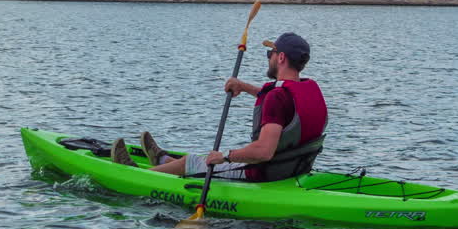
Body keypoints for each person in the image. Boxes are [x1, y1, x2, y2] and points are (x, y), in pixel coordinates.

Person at [110, 32, 328, 182]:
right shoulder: (308, 89)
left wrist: (225, 156)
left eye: (270, 53)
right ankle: (164, 161)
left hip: (261, 173)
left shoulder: (277, 99)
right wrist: (243, 86)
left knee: (193, 162)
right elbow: (283, 105)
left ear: (280, 57)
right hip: (291, 169)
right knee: (200, 159)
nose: (268, 57)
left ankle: (138, 175)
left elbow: (264, 151)